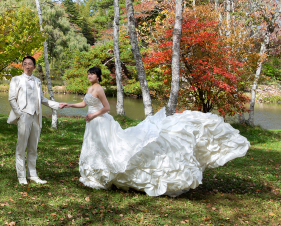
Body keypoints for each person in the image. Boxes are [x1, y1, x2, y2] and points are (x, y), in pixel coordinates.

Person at [59, 67, 250, 197]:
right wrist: (68, 104)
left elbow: (107, 108)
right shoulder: (89, 88)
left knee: (108, 148)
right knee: (93, 147)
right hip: (91, 123)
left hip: (99, 121)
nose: (90, 76)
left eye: (92, 74)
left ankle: (108, 174)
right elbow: (84, 103)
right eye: (89, 74)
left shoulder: (99, 89)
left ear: (98, 76)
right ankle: (94, 174)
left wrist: (93, 116)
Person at [8, 55, 62, 185]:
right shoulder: (16, 79)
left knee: (33, 147)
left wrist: (57, 105)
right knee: (21, 148)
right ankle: (21, 176)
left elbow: (42, 99)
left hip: (36, 116)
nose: (27, 66)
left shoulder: (37, 80)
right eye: (25, 64)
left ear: (34, 66)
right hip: (24, 116)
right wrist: (19, 114)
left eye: (30, 64)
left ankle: (32, 175)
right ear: (22, 66)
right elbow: (11, 99)